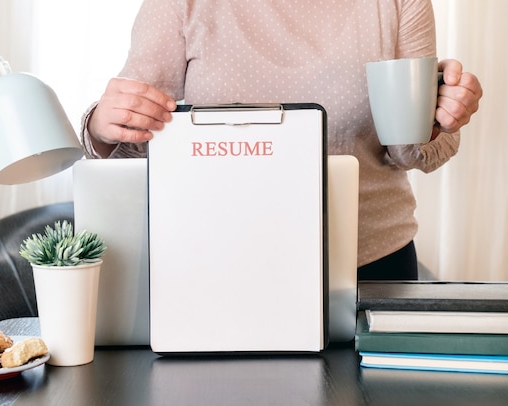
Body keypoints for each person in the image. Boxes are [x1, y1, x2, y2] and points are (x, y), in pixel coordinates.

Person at [80, 0, 483, 280]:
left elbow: (410, 150)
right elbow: (131, 140)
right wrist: (102, 125)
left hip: (371, 261)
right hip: (220, 261)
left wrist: (438, 117)